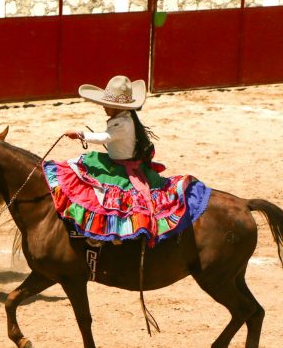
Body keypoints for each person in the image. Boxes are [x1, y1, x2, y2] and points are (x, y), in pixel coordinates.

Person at [44, 75, 211, 247]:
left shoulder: (123, 123)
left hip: (123, 168)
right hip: (117, 161)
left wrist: (80, 134)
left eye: (107, 104)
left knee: (112, 200)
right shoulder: (124, 118)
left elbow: (105, 137)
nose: (103, 107)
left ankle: (109, 235)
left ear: (117, 107)